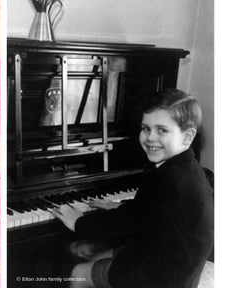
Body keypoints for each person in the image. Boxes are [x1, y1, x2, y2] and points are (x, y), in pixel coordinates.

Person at [52, 89, 214, 288]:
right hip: (171, 257)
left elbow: (122, 225)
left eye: (162, 130)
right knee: (96, 255)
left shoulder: (170, 180)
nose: (150, 137)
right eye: (146, 128)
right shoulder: (184, 167)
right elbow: (152, 209)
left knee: (79, 273)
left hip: (165, 276)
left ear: (188, 137)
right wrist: (117, 205)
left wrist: (78, 222)